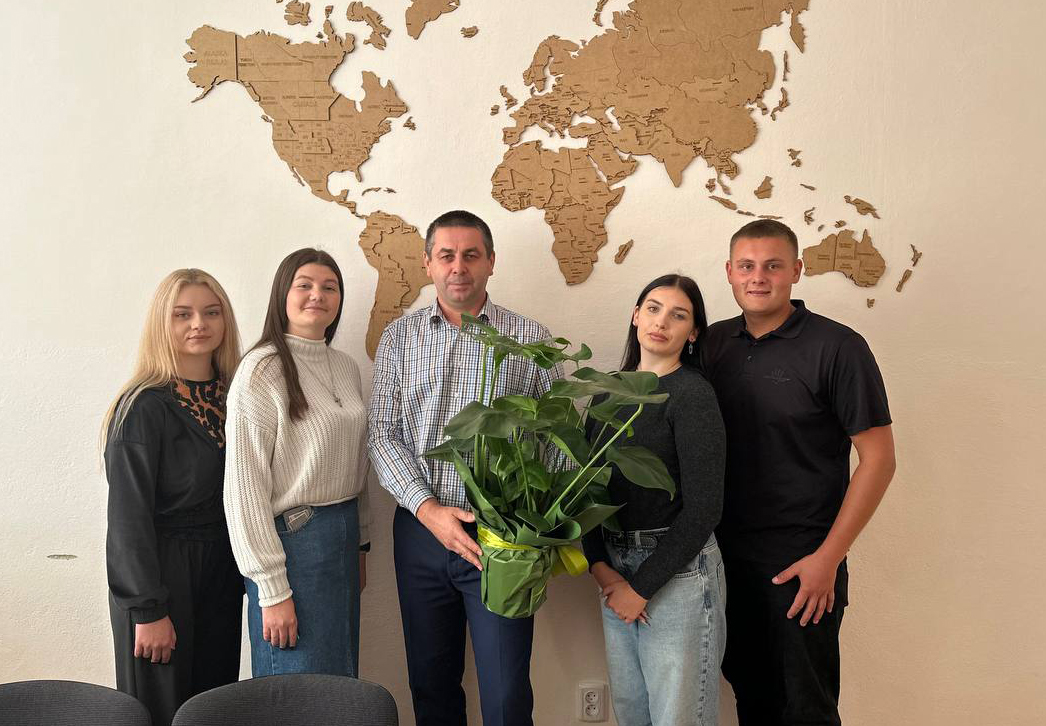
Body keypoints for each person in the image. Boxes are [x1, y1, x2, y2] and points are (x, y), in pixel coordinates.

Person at [700, 220, 896, 726]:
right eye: (747, 266)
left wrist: (828, 559)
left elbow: (879, 460)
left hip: (803, 563)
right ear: (729, 272)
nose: (758, 277)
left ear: (796, 271)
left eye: (773, 266)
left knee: (806, 708)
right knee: (751, 699)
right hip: (725, 559)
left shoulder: (838, 346)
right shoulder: (712, 344)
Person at [368, 210, 560, 726]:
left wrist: (537, 526)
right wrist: (428, 509)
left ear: (491, 262)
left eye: (471, 255)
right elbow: (382, 433)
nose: (459, 267)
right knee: (431, 686)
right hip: (421, 531)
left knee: (506, 695)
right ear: (428, 263)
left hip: (502, 536)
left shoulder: (529, 338)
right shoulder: (399, 339)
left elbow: (557, 439)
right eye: (447, 255)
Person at [581, 274, 727, 726]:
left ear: (693, 332)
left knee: (678, 717)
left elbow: (704, 509)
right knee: (632, 714)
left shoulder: (693, 395)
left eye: (678, 315)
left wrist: (641, 588)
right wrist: (600, 567)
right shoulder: (606, 391)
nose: (661, 322)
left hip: (677, 575)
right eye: (653, 308)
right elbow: (586, 489)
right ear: (635, 315)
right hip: (614, 570)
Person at [102, 268, 244, 726]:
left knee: (213, 709)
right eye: (183, 314)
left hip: (221, 572)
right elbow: (128, 519)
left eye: (211, 312)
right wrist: (148, 609)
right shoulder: (142, 407)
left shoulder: (237, 397)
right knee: (160, 711)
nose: (198, 323)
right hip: (162, 574)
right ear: (162, 323)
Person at [224, 248, 371, 677]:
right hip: (293, 542)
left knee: (339, 681)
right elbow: (244, 489)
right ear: (282, 295)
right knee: (295, 686)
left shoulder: (346, 367)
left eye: (329, 287)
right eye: (304, 285)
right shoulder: (261, 370)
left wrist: (360, 543)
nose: (317, 295)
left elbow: (356, 461)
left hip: (342, 537)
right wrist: (271, 590)